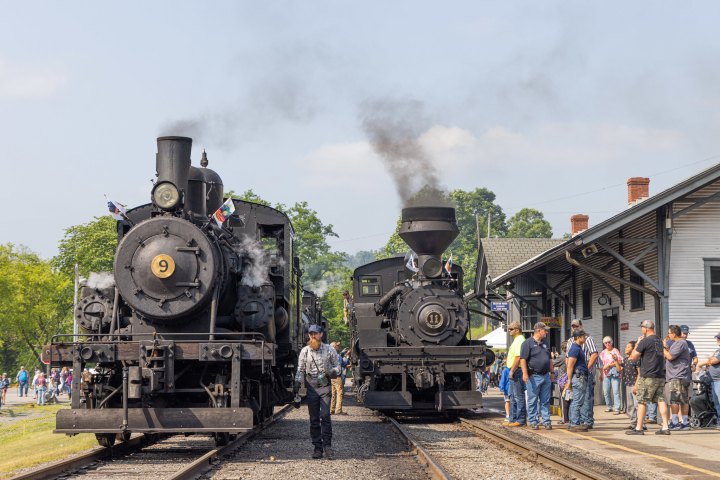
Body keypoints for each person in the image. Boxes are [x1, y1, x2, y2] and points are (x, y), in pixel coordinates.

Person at [294, 324, 341, 459]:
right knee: (314, 418)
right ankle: (317, 448)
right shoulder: (305, 351)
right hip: (311, 385)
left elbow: (338, 366)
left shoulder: (330, 350)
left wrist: (332, 372)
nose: (313, 336)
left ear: (321, 334)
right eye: (310, 334)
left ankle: (328, 447)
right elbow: (300, 369)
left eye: (315, 333)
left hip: (325, 384)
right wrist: (297, 384)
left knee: (325, 416)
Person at [626, 320, 671, 435]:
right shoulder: (659, 341)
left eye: (642, 328)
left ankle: (639, 428)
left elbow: (633, 357)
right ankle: (665, 427)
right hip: (660, 375)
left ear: (646, 328)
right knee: (661, 400)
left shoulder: (645, 341)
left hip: (648, 376)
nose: (641, 330)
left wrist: (637, 343)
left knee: (641, 401)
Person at [520, 322, 553, 430]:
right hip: (533, 376)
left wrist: (552, 372)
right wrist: (525, 373)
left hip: (546, 376)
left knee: (545, 400)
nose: (546, 332)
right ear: (539, 330)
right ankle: (533, 421)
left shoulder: (546, 343)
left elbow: (550, 359)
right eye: (545, 330)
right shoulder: (527, 343)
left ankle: (546, 420)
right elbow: (523, 359)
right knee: (532, 399)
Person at [662, 325, 692, 430]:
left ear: (674, 333)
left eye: (669, 333)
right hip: (679, 376)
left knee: (676, 400)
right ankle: (684, 422)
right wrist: (666, 347)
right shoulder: (678, 343)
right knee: (682, 400)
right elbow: (671, 353)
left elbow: (670, 356)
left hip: (678, 376)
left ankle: (676, 422)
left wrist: (662, 349)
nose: (668, 335)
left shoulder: (680, 343)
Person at [570, 319, 598, 428]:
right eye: (573, 326)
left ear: (581, 325)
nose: (575, 328)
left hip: (585, 373)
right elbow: (569, 360)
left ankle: (587, 421)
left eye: (576, 326)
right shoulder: (573, 342)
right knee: (578, 399)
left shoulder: (588, 339)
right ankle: (578, 421)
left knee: (586, 398)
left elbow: (594, 354)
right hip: (577, 374)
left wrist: (587, 368)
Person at [563, 329, 590, 432]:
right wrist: (569, 380)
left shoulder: (578, 348)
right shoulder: (575, 348)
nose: (585, 338)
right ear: (578, 337)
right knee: (577, 401)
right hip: (578, 378)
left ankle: (573, 422)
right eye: (583, 336)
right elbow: (570, 366)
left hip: (580, 377)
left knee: (576, 401)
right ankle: (574, 423)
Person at [695, 332, 720, 429]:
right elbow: (711, 360)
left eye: (718, 338)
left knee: (719, 401)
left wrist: (709, 360)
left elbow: (713, 361)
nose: (717, 340)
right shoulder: (717, 350)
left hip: (718, 380)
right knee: (716, 402)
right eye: (717, 338)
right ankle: (718, 421)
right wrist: (710, 360)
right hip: (714, 380)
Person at [506, 320, 527, 427]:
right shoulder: (516, 340)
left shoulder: (519, 340)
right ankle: (513, 419)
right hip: (514, 370)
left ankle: (521, 419)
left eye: (511, 329)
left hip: (516, 371)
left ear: (517, 330)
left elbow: (518, 357)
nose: (509, 331)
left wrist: (512, 370)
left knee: (518, 396)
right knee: (513, 396)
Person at [622, 341, 644, 431]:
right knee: (630, 405)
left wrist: (636, 385)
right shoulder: (626, 360)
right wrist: (615, 360)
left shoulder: (637, 359)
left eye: (628, 347)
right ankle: (633, 423)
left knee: (637, 405)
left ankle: (641, 423)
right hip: (628, 384)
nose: (625, 348)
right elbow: (619, 368)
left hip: (635, 384)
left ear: (633, 348)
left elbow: (639, 373)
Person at [599, 336, 623, 414]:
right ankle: (609, 406)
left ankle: (617, 408)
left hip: (615, 374)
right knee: (606, 392)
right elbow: (600, 364)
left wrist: (609, 365)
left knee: (615, 391)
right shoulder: (602, 353)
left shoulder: (615, 350)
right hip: (606, 374)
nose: (608, 344)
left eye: (609, 342)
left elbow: (619, 361)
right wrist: (601, 374)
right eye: (606, 343)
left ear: (612, 342)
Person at [554, 341, 570, 425]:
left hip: (563, 381)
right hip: (570, 380)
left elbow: (553, 363)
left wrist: (553, 357)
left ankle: (564, 419)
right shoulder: (572, 355)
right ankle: (570, 418)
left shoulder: (562, 357)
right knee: (569, 399)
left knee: (563, 401)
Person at [330, 342, 348, 415]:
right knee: (340, 393)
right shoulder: (337, 356)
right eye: (337, 346)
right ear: (334, 347)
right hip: (337, 377)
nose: (338, 347)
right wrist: (346, 357)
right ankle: (338, 411)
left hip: (331, 377)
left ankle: (331, 410)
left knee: (333, 394)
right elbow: (343, 364)